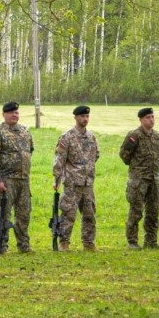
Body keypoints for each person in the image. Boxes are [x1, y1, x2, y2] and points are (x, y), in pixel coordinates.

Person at [0, 101, 34, 254]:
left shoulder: (25, 131)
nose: (14, 115)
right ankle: (1, 245)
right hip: (7, 180)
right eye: (11, 113)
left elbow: (29, 151)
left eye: (16, 112)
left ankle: (23, 245)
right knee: (4, 213)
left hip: (23, 180)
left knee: (24, 214)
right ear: (4, 115)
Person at [52, 105, 100, 251]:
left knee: (89, 213)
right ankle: (64, 242)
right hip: (72, 183)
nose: (85, 119)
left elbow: (96, 155)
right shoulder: (67, 137)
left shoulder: (92, 137)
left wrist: (87, 170)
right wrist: (57, 178)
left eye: (87, 116)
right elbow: (59, 159)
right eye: (82, 116)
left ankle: (89, 242)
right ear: (76, 118)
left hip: (88, 183)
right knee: (68, 213)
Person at [120, 107, 159, 250]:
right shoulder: (134, 135)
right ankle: (132, 241)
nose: (151, 120)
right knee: (136, 211)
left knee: (153, 211)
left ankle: (151, 241)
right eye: (148, 117)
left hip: (154, 179)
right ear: (141, 119)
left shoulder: (156, 136)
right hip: (139, 180)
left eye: (152, 117)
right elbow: (124, 154)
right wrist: (136, 168)